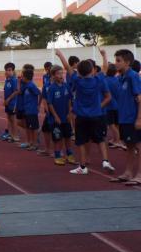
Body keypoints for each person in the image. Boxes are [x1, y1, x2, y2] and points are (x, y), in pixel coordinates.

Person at [56, 50, 114, 175]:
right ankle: (105, 161)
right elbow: (105, 68)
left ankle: (82, 167)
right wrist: (104, 55)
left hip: (82, 116)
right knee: (100, 139)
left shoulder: (78, 81)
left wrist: (60, 55)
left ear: (79, 71)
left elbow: (67, 67)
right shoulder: (98, 80)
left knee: (81, 141)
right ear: (93, 70)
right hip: (96, 115)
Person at [110, 49, 141, 185]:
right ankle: (128, 172)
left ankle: (139, 175)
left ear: (127, 62)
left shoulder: (132, 76)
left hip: (133, 118)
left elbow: (140, 98)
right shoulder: (121, 78)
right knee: (129, 147)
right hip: (124, 118)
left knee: (139, 147)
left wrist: (139, 118)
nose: (115, 63)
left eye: (118, 61)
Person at [46, 65, 75, 166]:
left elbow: (70, 100)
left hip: (66, 118)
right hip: (56, 120)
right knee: (57, 138)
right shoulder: (51, 88)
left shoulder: (66, 86)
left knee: (67, 136)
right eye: (58, 73)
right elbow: (50, 104)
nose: (61, 75)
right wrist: (56, 116)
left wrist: (69, 113)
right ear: (53, 76)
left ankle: (69, 154)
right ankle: (57, 156)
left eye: (62, 73)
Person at [104, 62, 123, 149]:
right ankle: (116, 139)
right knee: (116, 123)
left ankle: (118, 140)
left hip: (109, 106)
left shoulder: (105, 80)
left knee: (111, 124)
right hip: (117, 105)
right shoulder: (117, 79)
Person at [21, 68, 40, 150]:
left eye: (22, 76)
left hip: (32, 110)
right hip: (27, 109)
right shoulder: (26, 85)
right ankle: (31, 142)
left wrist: (38, 105)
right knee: (29, 127)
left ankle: (35, 144)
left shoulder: (31, 85)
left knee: (34, 127)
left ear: (26, 77)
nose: (21, 78)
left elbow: (39, 93)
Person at [38, 61, 54, 156]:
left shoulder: (58, 83)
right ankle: (49, 149)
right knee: (47, 129)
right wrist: (42, 104)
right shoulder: (46, 79)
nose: (48, 70)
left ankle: (55, 150)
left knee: (54, 129)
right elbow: (43, 94)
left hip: (55, 109)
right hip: (48, 108)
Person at [1, 62, 19, 142]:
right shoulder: (7, 80)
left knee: (13, 119)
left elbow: (16, 91)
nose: (8, 72)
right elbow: (6, 91)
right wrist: (5, 100)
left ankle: (15, 136)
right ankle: (11, 135)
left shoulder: (14, 80)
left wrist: (8, 99)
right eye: (6, 70)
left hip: (12, 103)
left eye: (10, 70)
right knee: (9, 119)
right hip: (7, 103)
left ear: (13, 71)